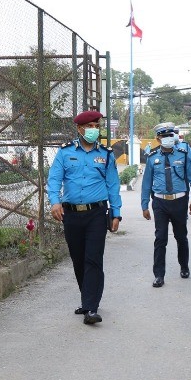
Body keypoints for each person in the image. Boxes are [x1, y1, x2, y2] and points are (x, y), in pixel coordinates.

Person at [47, 110, 122, 325]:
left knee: (93, 260)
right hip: (71, 214)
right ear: (79, 129)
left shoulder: (106, 154)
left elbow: (113, 185)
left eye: (96, 126)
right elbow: (54, 179)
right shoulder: (65, 153)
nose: (94, 130)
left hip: (97, 214)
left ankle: (91, 307)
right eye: (90, 126)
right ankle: (86, 298)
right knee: (78, 260)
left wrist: (116, 213)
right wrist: (55, 201)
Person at [141, 122, 191, 286]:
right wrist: (144, 205)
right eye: (164, 136)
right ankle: (159, 275)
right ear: (158, 139)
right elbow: (146, 183)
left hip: (179, 201)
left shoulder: (183, 154)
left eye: (170, 135)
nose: (168, 138)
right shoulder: (152, 157)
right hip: (160, 202)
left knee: (181, 236)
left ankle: (184, 265)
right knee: (160, 238)